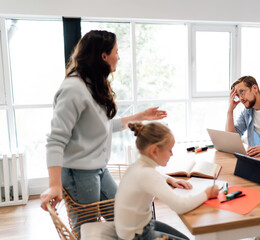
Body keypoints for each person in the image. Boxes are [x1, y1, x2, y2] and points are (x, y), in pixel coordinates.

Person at [40, 30, 167, 220]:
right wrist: (54, 185)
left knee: (123, 218)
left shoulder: (92, 85)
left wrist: (141, 116)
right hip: (78, 172)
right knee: (88, 229)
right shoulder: (73, 89)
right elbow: (55, 140)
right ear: (104, 56)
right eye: (116, 52)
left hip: (98, 168)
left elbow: (103, 126)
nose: (118, 57)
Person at [114, 122, 219, 240]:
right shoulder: (148, 175)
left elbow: (151, 177)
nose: (172, 154)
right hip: (136, 236)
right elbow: (181, 205)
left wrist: (170, 179)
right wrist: (207, 193)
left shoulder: (137, 167)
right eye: (169, 150)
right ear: (154, 151)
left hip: (137, 227)